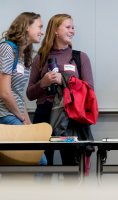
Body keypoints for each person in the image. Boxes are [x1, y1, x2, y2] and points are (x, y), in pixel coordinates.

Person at [26, 14, 95, 168]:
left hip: (69, 117)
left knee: (70, 165)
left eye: (73, 28)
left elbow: (89, 91)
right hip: (44, 116)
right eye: (68, 27)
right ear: (56, 30)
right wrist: (43, 83)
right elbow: (30, 94)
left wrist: (63, 81)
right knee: (43, 164)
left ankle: (71, 193)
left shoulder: (80, 57)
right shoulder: (41, 58)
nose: (72, 31)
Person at [0, 12, 46, 165]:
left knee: (34, 163)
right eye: (39, 26)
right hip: (5, 114)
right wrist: (20, 117)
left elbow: (17, 94)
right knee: (40, 161)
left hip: (15, 113)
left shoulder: (24, 55)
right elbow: (5, 93)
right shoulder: (8, 49)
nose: (42, 31)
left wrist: (27, 122)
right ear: (27, 27)